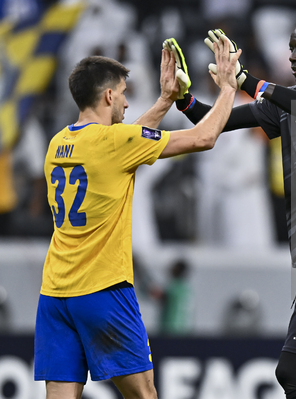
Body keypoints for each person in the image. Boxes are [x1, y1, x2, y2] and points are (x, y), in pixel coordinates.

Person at [169, 17, 296, 399]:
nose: (293, 56)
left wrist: (247, 80)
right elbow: (214, 122)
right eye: (291, 47)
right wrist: (182, 99)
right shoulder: (288, 101)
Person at [33, 37, 241, 398]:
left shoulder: (58, 143)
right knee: (143, 395)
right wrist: (228, 88)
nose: (128, 102)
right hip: (103, 290)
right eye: (124, 93)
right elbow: (204, 137)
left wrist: (164, 100)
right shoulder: (115, 144)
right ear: (109, 97)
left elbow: (128, 143)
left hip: (55, 293)